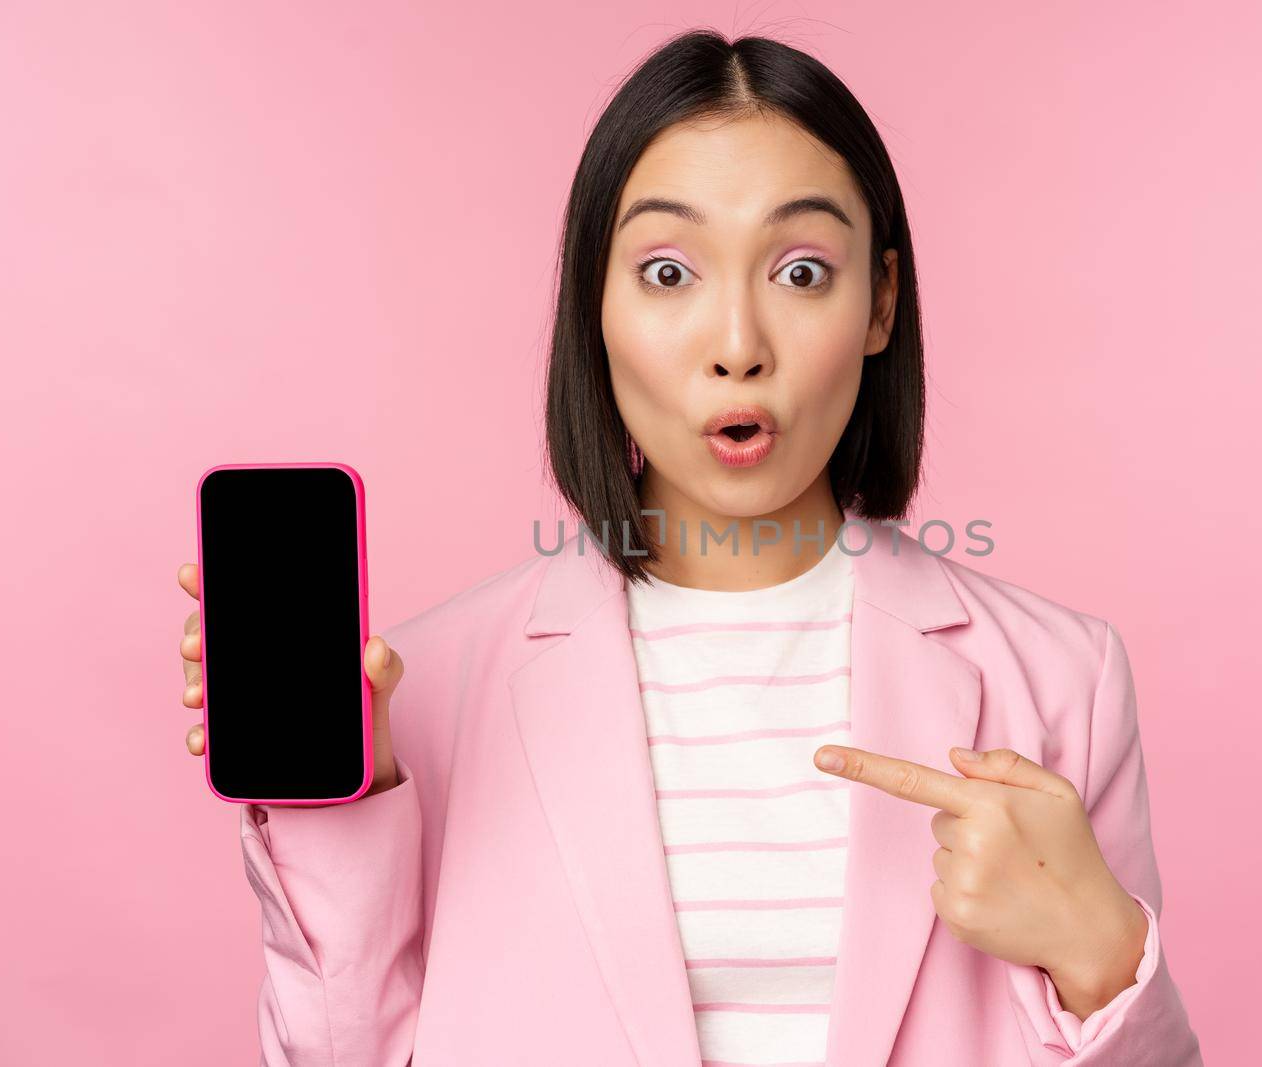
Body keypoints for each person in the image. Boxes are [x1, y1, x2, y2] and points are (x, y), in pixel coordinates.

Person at [175, 29, 1202, 1066]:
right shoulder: (423, 699)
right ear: (595, 305)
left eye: (802, 270)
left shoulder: (1059, 677)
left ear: (879, 303)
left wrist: (1099, 949)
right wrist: (335, 805)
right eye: (668, 270)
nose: (737, 343)